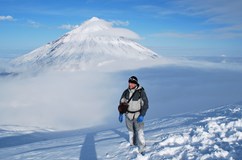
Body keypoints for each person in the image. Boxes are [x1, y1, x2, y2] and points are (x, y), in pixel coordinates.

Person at [118, 76, 149, 155]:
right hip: (128, 115)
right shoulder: (126, 92)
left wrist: (142, 115)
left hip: (137, 115)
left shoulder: (140, 92)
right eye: (130, 82)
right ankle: (132, 146)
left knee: (139, 132)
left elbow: (145, 104)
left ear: (136, 83)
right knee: (131, 132)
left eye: (133, 83)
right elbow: (121, 103)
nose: (131, 84)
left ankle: (142, 149)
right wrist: (121, 113)